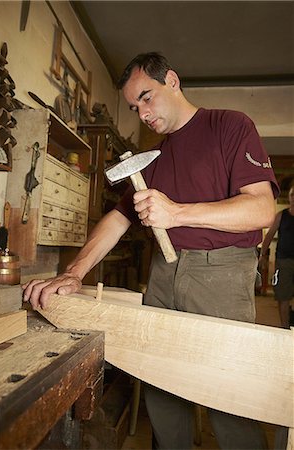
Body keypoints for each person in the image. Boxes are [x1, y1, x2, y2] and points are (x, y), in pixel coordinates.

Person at [23, 52, 279, 450]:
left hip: (222, 273)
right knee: (161, 387)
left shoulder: (229, 125)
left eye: (147, 97)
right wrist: (74, 272)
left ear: (172, 81)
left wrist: (177, 213)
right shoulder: (153, 159)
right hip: (163, 273)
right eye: (133, 106)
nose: (141, 112)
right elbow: (117, 219)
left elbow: (261, 208)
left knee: (229, 394)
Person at [259, 185, 294, 328]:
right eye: (292, 195)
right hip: (283, 261)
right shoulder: (281, 216)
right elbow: (269, 236)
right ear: (289, 197)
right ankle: (284, 329)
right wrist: (262, 255)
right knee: (283, 296)